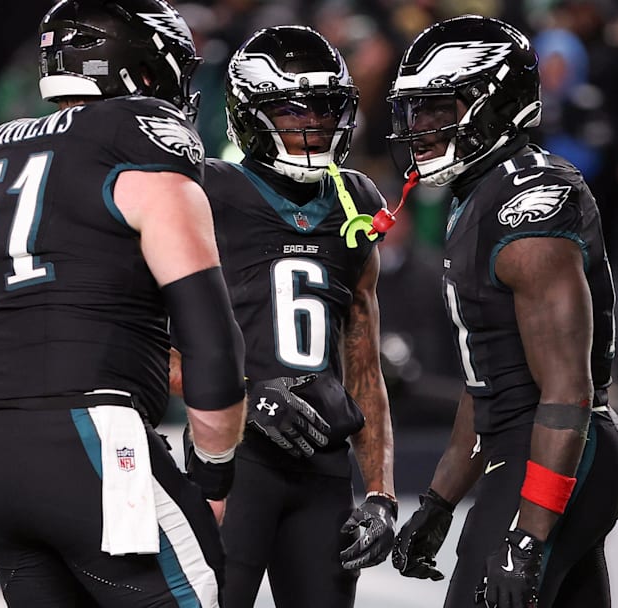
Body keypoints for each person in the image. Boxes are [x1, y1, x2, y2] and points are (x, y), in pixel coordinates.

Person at [0, 1, 254, 605]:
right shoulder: (135, 135)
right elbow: (212, 344)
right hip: (93, 438)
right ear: (144, 70)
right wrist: (214, 476)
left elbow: (56, 311)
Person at [386, 15, 618, 608]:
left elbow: (566, 390)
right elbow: (490, 382)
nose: (419, 126)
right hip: (540, 441)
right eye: (414, 110)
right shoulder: (483, 192)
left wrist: (527, 535)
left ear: (494, 105)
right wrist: (440, 502)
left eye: (437, 107)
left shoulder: (527, 204)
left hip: (558, 445)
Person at [203, 25, 395, 608]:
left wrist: (381, 494)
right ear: (249, 115)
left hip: (323, 464)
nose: (314, 125)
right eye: (293, 111)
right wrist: (246, 396)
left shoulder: (355, 200)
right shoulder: (207, 192)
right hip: (233, 457)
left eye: (325, 109)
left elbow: (364, 367)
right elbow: (155, 342)